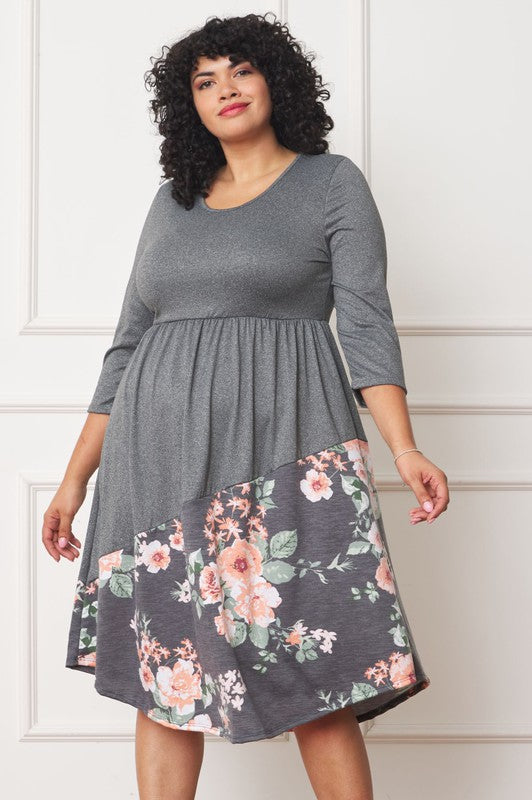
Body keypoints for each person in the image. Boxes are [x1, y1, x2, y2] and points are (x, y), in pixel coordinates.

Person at [42, 13, 448, 800]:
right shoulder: (172, 203)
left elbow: (367, 325)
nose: (224, 89)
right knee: (164, 675)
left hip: (286, 451)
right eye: (204, 80)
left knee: (315, 673)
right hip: (154, 461)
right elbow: (126, 347)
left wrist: (404, 449)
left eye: (240, 70)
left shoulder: (331, 183)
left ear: (274, 80)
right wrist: (73, 481)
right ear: (188, 104)